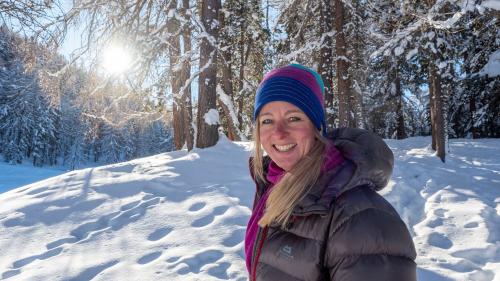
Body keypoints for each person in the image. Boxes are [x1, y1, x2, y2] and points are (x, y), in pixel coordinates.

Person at [245, 64, 417, 281]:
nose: (278, 133)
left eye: (294, 118)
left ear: (317, 127)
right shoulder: (274, 186)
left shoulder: (361, 219)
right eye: (267, 121)